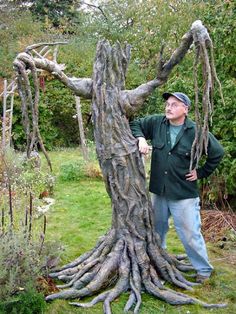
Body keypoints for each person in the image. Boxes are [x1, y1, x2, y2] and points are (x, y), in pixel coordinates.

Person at [130, 92, 224, 283]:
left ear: (185, 109)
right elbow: (135, 124)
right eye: (167, 104)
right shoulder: (157, 123)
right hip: (159, 191)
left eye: (174, 104)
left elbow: (217, 153)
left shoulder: (196, 131)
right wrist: (141, 139)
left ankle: (203, 270)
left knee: (190, 234)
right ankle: (160, 263)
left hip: (183, 194)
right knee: (157, 231)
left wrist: (202, 172)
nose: (168, 108)